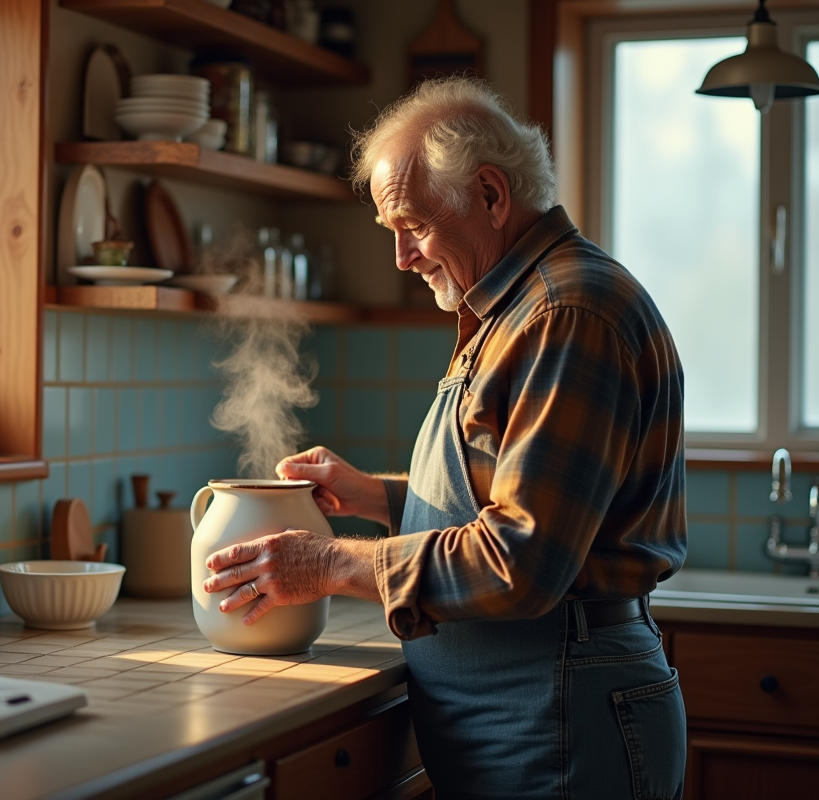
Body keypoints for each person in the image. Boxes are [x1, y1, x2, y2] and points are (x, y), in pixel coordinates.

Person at [201, 77, 688, 800]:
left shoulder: (563, 316)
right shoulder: (514, 308)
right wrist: (377, 497)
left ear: (491, 195)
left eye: (414, 226)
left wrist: (329, 563)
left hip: (561, 715)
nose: (401, 257)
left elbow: (521, 559)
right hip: (530, 712)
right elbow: (512, 497)